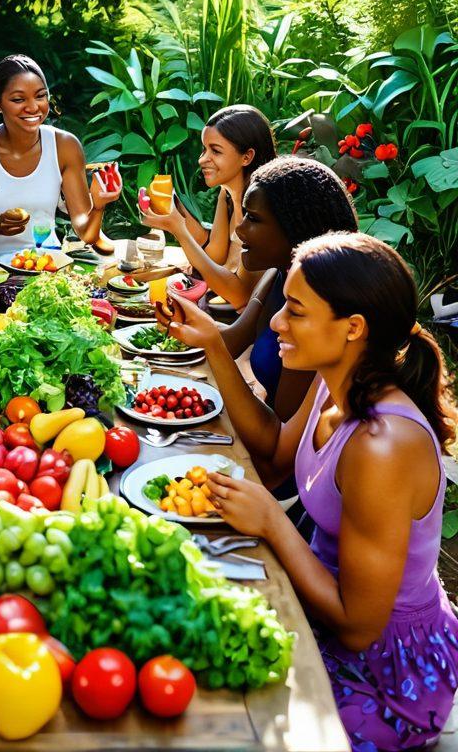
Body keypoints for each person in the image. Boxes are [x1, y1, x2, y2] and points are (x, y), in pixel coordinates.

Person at [168, 232, 458, 751]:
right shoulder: (334, 380)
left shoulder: (382, 446)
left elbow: (358, 626)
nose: (276, 322)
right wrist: (213, 344)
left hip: (385, 672)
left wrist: (272, 522)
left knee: (222, 721)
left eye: (295, 312)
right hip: (315, 602)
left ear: (353, 328)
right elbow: (275, 454)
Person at [215, 157, 359, 420]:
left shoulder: (317, 310)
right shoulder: (277, 274)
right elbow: (233, 340)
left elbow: (284, 424)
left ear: (295, 228)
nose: (240, 229)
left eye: (253, 218)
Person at [0, 54, 121, 257]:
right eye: (18, 99)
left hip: (44, 266)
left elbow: (87, 234)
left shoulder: (65, 147)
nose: (32, 107)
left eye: (40, 96)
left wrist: (99, 205)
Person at [140, 104, 276, 309]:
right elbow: (215, 256)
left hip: (240, 318)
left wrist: (179, 230)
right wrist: (173, 210)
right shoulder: (227, 194)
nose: (202, 159)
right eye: (204, 149)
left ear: (247, 157)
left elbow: (239, 295)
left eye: (216, 151)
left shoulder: (262, 210)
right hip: (218, 306)